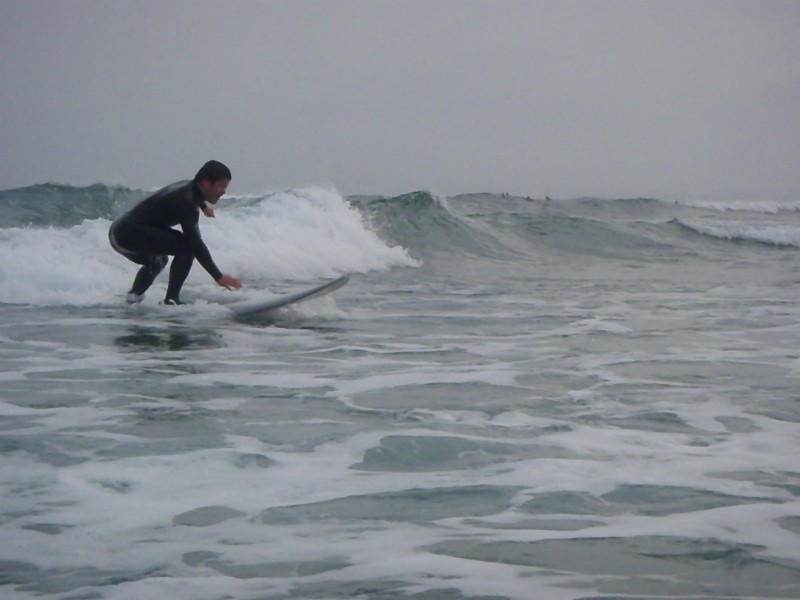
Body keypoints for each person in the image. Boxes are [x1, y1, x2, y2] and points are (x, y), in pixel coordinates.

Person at [109, 160, 242, 305]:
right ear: (205, 183)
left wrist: (203, 206)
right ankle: (171, 300)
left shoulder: (189, 188)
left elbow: (193, 198)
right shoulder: (187, 203)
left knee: (157, 261)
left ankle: (133, 298)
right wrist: (218, 276)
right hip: (128, 233)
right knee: (186, 247)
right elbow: (196, 243)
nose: (224, 192)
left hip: (119, 231)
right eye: (221, 186)